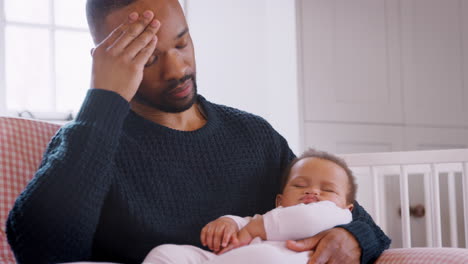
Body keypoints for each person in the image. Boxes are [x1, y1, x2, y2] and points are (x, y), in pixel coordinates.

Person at [6, 0, 390, 263]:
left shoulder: (254, 136)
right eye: (149, 56)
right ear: (108, 60)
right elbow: (41, 248)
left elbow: (347, 210)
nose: (177, 69)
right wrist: (104, 99)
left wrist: (354, 238)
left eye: (182, 41)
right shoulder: (88, 142)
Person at [143, 149, 356, 264]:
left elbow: (307, 219)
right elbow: (243, 223)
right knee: (165, 254)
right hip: (219, 259)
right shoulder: (266, 216)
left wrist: (254, 229)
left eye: (328, 190)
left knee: (267, 258)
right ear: (279, 201)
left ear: (348, 208)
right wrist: (227, 223)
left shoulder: (337, 216)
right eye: (300, 185)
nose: (313, 192)